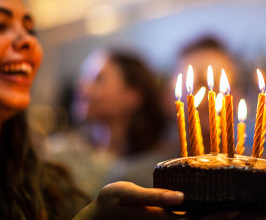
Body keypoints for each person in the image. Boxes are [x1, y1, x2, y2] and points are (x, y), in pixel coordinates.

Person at [0, 0, 183, 219]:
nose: (28, 41)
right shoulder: (61, 156)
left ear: (133, 95)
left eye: (30, 30)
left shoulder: (44, 181)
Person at [44, 50, 177, 196]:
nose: (82, 87)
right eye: (84, 78)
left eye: (98, 79)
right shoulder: (58, 154)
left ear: (133, 95)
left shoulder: (156, 167)